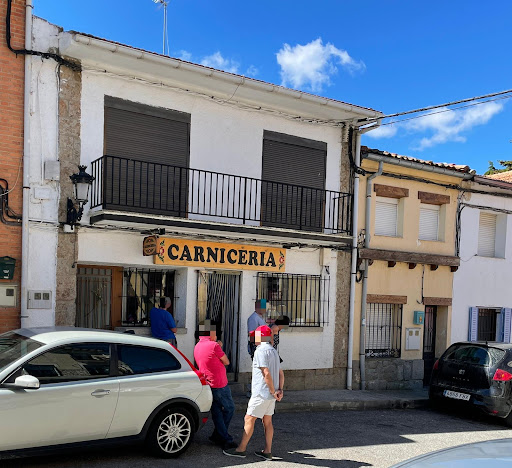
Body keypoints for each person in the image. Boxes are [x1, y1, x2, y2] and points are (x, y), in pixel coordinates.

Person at [223, 325, 284, 461]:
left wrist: (273, 391)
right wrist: (280, 390)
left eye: (255, 335)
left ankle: (241, 449)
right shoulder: (273, 351)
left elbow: (266, 372)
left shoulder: (260, 351)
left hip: (262, 393)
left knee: (249, 418)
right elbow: (280, 373)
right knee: (267, 421)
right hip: (270, 394)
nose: (253, 338)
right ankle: (267, 451)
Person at [194, 320, 237, 451]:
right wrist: (219, 345)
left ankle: (218, 435)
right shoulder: (214, 345)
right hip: (219, 383)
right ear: (211, 332)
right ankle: (224, 437)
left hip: (208, 383)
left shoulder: (197, 346)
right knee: (230, 409)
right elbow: (226, 361)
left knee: (217, 411)